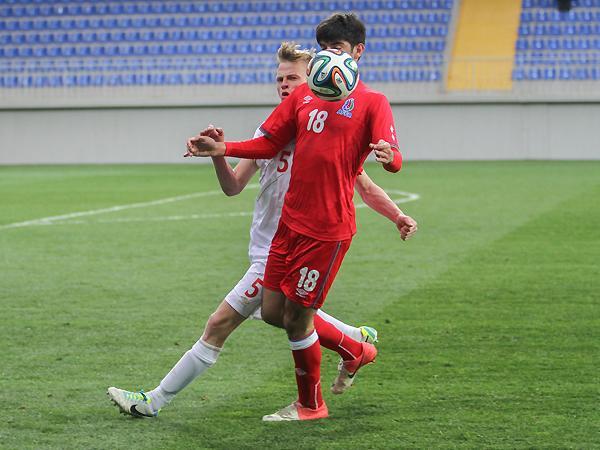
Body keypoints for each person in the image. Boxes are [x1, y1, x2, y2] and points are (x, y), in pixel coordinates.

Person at [107, 41, 417, 419]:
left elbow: (363, 185)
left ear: (315, 81)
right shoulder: (274, 128)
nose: (285, 85)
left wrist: (397, 214)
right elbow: (233, 186)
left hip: (287, 246)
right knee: (279, 314)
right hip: (267, 245)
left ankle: (152, 401)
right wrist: (219, 153)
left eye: (293, 78)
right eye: (280, 79)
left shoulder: (323, 131)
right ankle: (354, 343)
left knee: (221, 323)